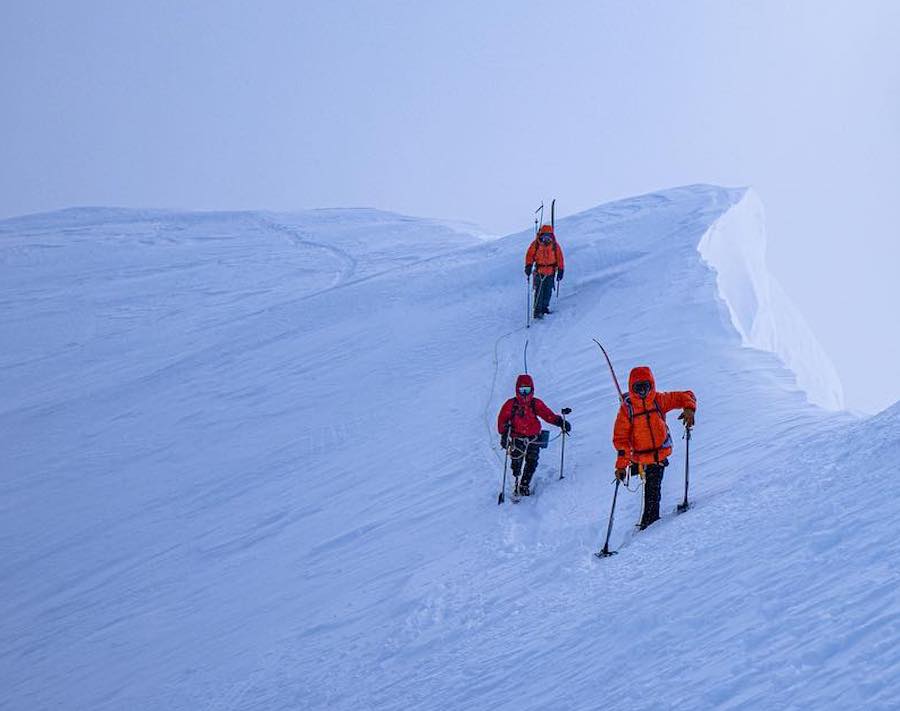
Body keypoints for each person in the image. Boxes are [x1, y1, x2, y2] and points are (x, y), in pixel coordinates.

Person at [612, 366, 696, 529]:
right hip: (639, 457)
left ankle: (649, 525)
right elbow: (621, 440)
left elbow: (687, 395)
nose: (643, 391)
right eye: (638, 387)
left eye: (646, 386)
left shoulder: (658, 400)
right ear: (632, 388)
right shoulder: (627, 410)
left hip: (658, 455)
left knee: (653, 489)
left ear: (651, 384)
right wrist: (621, 465)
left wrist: (689, 409)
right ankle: (649, 525)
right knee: (652, 489)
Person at [497, 373, 571, 496]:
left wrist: (560, 422)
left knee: (532, 461)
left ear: (532, 389)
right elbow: (502, 422)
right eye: (522, 390)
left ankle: (524, 485)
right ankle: (516, 480)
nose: (524, 393)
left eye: (527, 390)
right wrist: (504, 435)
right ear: (517, 390)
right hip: (517, 437)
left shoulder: (535, 403)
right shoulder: (510, 405)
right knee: (516, 461)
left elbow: (548, 415)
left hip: (534, 437)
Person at [525, 224, 565, 320]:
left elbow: (560, 258)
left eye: (549, 236)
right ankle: (537, 311)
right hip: (539, 271)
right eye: (544, 236)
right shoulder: (536, 244)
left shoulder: (555, 246)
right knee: (539, 292)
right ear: (541, 235)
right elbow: (529, 255)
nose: (546, 238)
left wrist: (561, 270)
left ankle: (544, 308)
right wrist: (528, 266)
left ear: (551, 236)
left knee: (548, 291)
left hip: (551, 272)